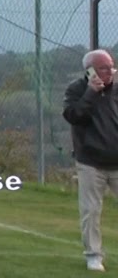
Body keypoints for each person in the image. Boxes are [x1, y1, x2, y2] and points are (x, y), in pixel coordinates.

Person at [64, 48, 118, 272]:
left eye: (111, 67)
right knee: (91, 210)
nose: (109, 72)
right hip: (91, 162)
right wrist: (91, 93)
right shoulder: (76, 90)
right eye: (103, 68)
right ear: (90, 71)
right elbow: (74, 115)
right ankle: (94, 256)